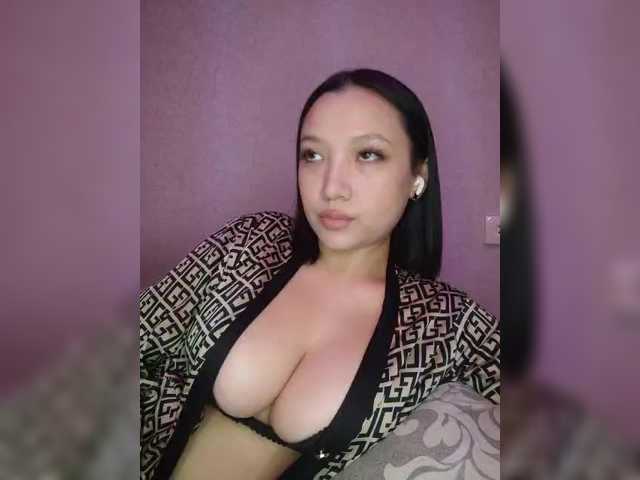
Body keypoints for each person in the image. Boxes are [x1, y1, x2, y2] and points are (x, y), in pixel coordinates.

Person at [140, 68, 500, 480]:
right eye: (313, 155)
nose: (331, 188)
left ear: (418, 176)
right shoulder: (251, 241)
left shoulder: (442, 318)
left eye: (368, 155)